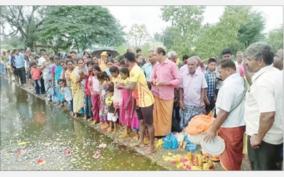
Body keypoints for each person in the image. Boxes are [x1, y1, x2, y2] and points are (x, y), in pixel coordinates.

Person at [244, 42, 283, 170]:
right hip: (275, 137)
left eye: (249, 60)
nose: (246, 63)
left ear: (260, 60)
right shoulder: (277, 74)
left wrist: (258, 138)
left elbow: (268, 114)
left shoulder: (263, 82)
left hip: (263, 141)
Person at [204, 59, 246, 170]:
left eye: (220, 71)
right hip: (238, 124)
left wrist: (212, 129)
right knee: (235, 156)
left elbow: (224, 112)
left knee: (229, 159)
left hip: (230, 127)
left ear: (228, 70)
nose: (219, 74)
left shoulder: (228, 86)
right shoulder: (240, 80)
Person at [118, 51, 155, 154]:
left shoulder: (136, 70)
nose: (124, 61)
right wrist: (124, 83)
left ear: (127, 60)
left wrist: (121, 86)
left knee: (149, 124)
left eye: (125, 60)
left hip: (146, 100)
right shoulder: (132, 69)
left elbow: (131, 87)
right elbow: (130, 83)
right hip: (139, 100)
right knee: (141, 122)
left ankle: (152, 147)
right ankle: (141, 141)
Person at [150, 47, 180, 137]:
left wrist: (166, 83)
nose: (154, 57)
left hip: (167, 95)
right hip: (156, 94)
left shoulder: (172, 65)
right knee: (156, 116)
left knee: (166, 117)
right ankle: (157, 134)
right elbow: (152, 77)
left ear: (161, 54)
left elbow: (178, 80)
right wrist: (154, 81)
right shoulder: (156, 65)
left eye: (155, 55)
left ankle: (165, 135)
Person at [179, 56, 208, 129]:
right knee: (186, 125)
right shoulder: (183, 75)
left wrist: (202, 101)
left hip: (197, 105)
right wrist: (181, 101)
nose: (190, 66)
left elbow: (203, 88)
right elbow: (181, 88)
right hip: (186, 104)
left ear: (196, 65)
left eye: (192, 65)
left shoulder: (201, 75)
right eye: (188, 64)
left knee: (197, 126)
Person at [118, 67, 139, 138]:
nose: (120, 76)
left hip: (129, 100)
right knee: (124, 114)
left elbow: (130, 93)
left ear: (126, 74)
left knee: (128, 114)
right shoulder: (123, 80)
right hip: (124, 99)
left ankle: (129, 130)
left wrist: (128, 101)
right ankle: (128, 130)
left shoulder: (129, 81)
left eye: (121, 74)